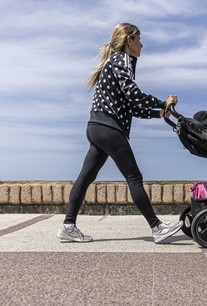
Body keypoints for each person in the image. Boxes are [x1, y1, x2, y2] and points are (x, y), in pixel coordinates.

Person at [58, 23, 183, 243]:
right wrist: (162, 102)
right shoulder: (120, 60)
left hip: (96, 127)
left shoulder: (115, 62)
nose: (142, 45)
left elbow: (131, 106)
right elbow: (134, 94)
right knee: (134, 177)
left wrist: (159, 113)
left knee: (85, 177)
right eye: (139, 40)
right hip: (109, 128)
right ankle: (157, 227)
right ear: (129, 41)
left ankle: (68, 225)